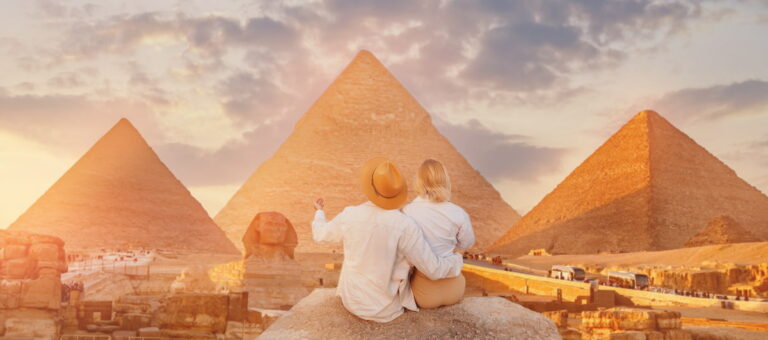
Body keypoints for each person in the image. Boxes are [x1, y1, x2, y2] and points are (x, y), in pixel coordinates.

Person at [312, 157, 464, 323]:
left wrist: (319, 212)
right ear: (396, 192)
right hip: (386, 310)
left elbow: (320, 234)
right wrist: (456, 260)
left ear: (370, 186)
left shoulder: (350, 215)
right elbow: (432, 269)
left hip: (352, 302)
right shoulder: (405, 225)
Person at [402, 159, 474, 309]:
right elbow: (467, 243)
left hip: (424, 293)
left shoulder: (408, 212)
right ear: (445, 180)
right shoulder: (458, 213)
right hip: (455, 288)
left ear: (419, 181)